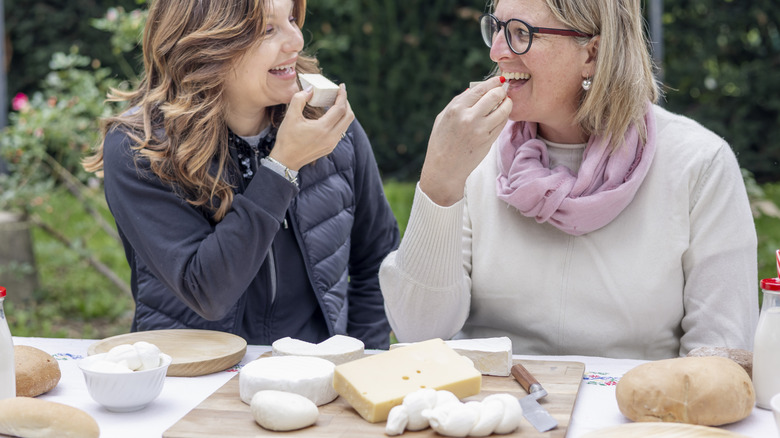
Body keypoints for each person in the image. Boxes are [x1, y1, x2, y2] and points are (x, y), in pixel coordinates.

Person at [379, 0, 758, 359]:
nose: (496, 51)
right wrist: (440, 180)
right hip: (493, 413)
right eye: (495, 27)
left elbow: (722, 352)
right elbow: (419, 331)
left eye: (520, 32)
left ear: (592, 54)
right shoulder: (474, 153)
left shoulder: (700, 165)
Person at [82, 0, 399, 349]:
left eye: (292, 19)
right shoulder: (139, 149)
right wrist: (281, 168)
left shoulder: (327, 125)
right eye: (267, 29)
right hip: (193, 377)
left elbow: (378, 259)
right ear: (206, 45)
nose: (295, 41)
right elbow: (208, 293)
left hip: (315, 375)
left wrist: (361, 359)